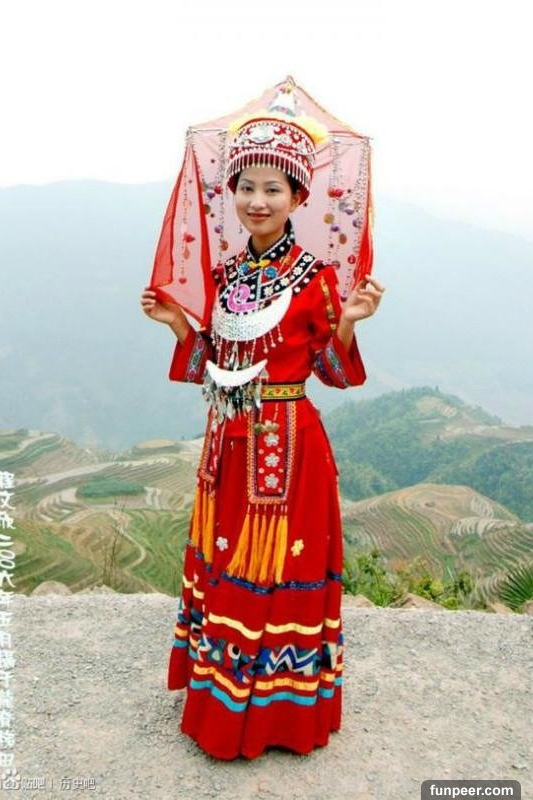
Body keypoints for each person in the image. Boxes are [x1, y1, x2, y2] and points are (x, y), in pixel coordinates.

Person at [140, 111, 385, 760]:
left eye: (273, 189)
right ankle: (221, 703)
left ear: (298, 197)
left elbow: (333, 373)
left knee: (277, 570)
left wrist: (349, 322)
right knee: (226, 564)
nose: (257, 200)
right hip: (227, 444)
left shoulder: (317, 279)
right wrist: (177, 325)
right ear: (232, 193)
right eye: (245, 187)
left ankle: (276, 718)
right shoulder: (226, 274)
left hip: (287, 449)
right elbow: (216, 363)